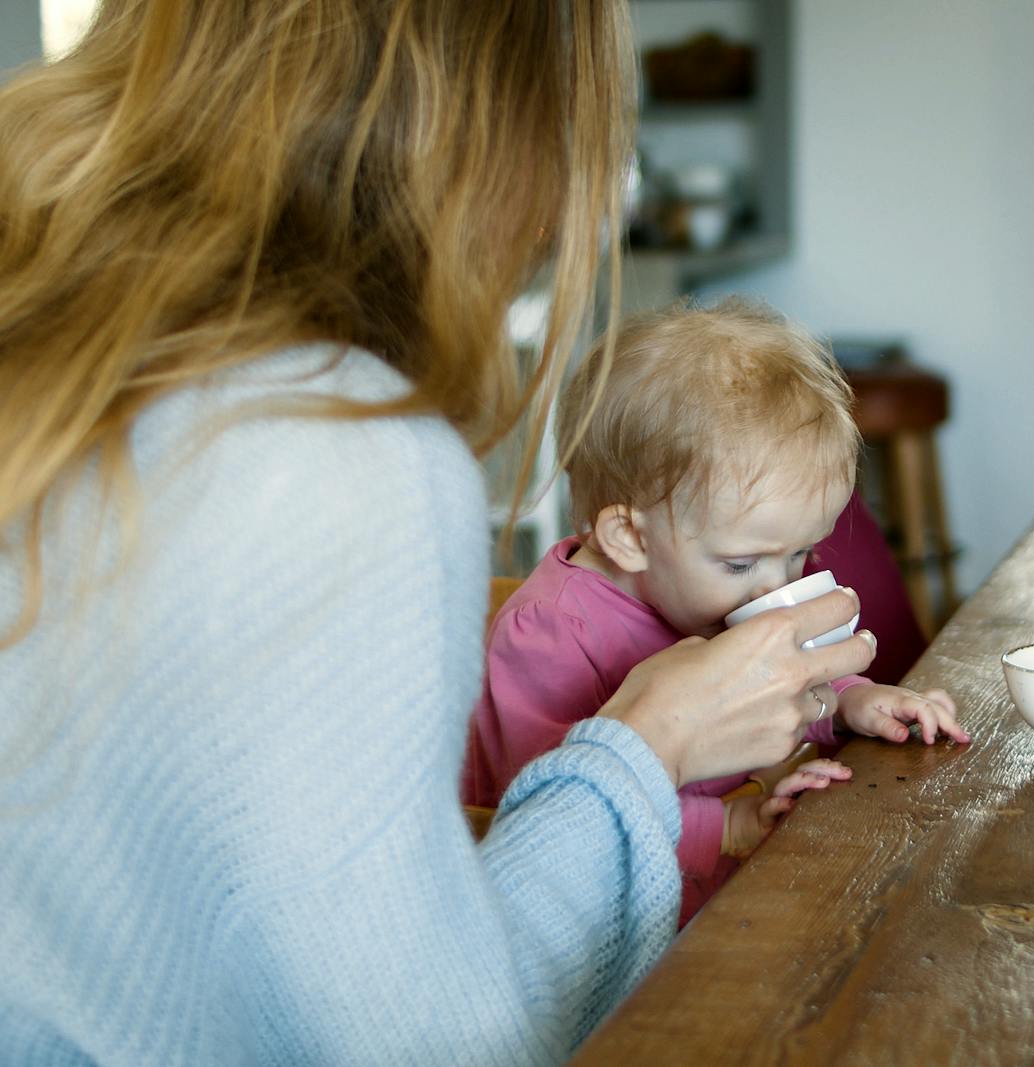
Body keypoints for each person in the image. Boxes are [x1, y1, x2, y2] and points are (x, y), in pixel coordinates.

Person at [0, 3, 876, 1063]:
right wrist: (650, 741)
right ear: (491, 132)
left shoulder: (64, 361)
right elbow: (446, 1036)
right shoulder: (329, 441)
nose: (556, 216)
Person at [462, 300, 969, 925]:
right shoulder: (548, 632)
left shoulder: (714, 582)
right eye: (740, 565)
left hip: (715, 895)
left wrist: (852, 702)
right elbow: (555, 815)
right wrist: (723, 825)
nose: (774, 587)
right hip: (602, 939)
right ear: (628, 537)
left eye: (800, 554)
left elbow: (782, 686)